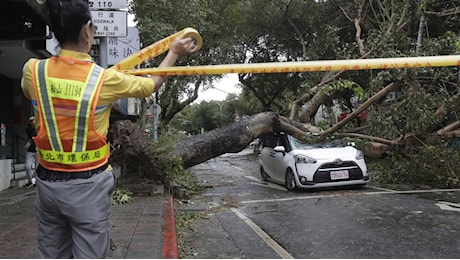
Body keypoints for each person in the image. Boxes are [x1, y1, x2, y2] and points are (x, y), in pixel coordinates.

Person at [20, 0, 198, 258]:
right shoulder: (103, 79)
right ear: (87, 29)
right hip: (88, 186)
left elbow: (32, 95)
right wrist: (173, 53)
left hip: (47, 184)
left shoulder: (32, 71)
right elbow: (150, 86)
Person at [24, 116, 37, 188]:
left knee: (37, 167)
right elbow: (31, 135)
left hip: (38, 150)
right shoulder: (28, 129)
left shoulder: (39, 128)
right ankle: (30, 181)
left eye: (34, 120)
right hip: (30, 150)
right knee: (27, 166)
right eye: (31, 121)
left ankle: (35, 181)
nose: (33, 122)